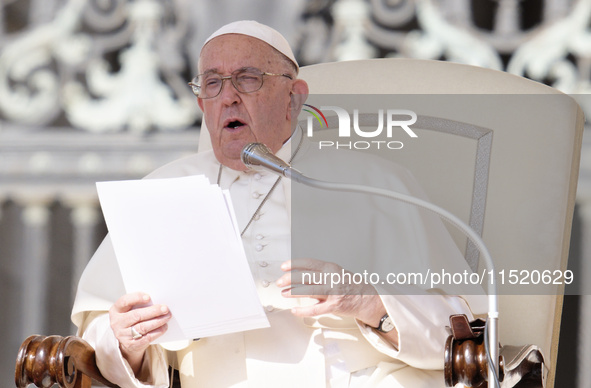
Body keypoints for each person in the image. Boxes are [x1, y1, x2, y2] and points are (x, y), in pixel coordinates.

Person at [72, 20, 484, 387]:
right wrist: (127, 341)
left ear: (293, 98)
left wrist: (367, 300)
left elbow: (461, 337)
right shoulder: (161, 190)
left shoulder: (377, 183)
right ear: (202, 105)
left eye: (247, 78)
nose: (228, 97)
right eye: (212, 83)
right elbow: (97, 340)